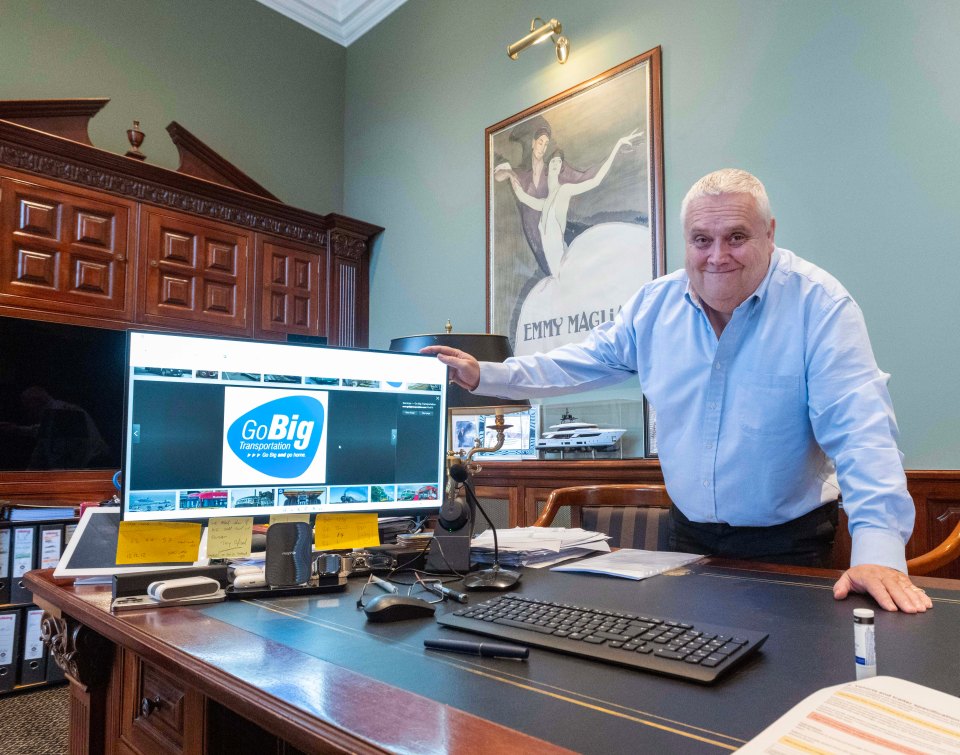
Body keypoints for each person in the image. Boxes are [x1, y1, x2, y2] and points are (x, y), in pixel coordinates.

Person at [423, 168, 931, 614]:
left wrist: (879, 557)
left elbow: (863, 435)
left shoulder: (820, 305)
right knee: (688, 674)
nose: (717, 256)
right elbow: (579, 362)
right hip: (687, 536)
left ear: (770, 234)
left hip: (790, 542)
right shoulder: (653, 306)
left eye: (736, 237)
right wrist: (484, 374)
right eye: (701, 240)